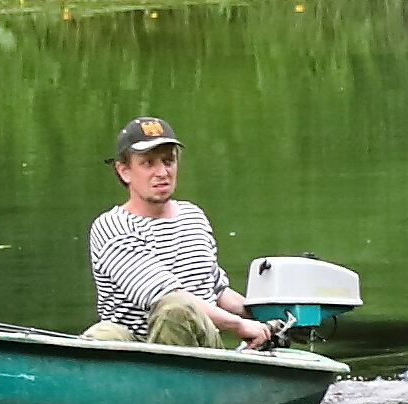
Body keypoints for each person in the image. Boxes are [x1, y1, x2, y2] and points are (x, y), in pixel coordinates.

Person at [83, 115, 272, 349]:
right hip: (137, 350)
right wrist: (238, 325)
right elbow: (162, 294)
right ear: (124, 171)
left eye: (168, 161)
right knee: (103, 333)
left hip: (201, 348)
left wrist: (270, 316)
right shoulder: (112, 227)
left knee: (176, 309)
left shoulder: (194, 216)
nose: (162, 172)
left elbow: (217, 291)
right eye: (148, 163)